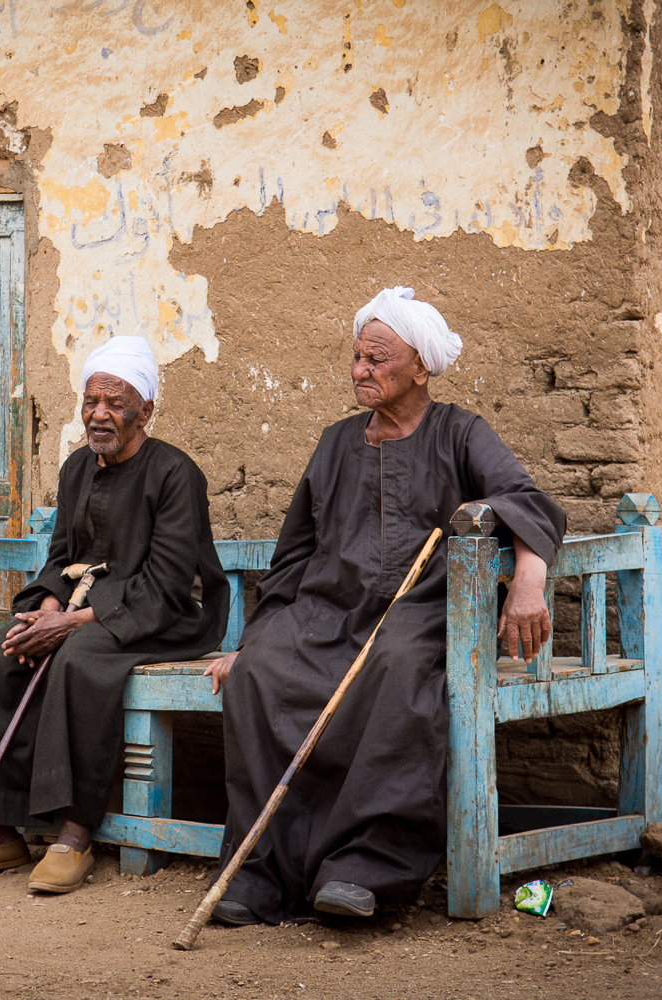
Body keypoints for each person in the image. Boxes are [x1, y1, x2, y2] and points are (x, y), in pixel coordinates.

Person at [202, 287, 566, 925]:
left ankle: (363, 866)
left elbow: (522, 499)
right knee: (260, 674)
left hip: (420, 612)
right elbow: (293, 557)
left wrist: (529, 576)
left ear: (420, 368)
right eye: (356, 357)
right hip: (327, 611)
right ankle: (260, 870)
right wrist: (254, 639)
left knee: (400, 669)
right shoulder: (335, 442)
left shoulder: (460, 432)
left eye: (377, 360)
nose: (359, 371)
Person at [0, 336, 230, 894]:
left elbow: (170, 582)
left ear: (146, 411)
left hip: (167, 614)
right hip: (82, 610)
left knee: (80, 660)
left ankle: (74, 832)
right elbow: (60, 557)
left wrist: (76, 625)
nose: (100, 415)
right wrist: (46, 608)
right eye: (92, 402)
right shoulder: (76, 469)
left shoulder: (176, 474)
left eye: (115, 403)